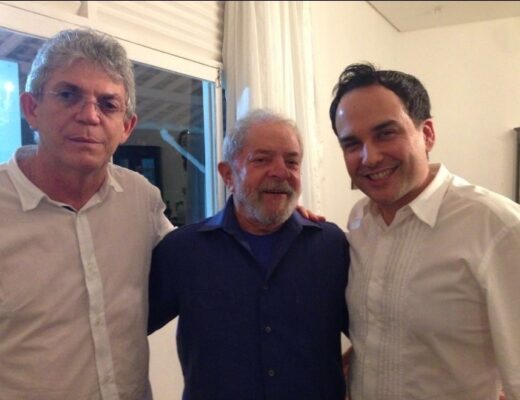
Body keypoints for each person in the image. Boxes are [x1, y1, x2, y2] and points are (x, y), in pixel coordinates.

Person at [329, 62, 520, 400]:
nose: (369, 157)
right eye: (352, 143)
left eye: (385, 133)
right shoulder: (359, 221)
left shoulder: (498, 227)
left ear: (427, 133)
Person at [0, 28, 173, 399]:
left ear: (126, 127)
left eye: (108, 104)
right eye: (68, 95)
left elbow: (200, 258)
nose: (89, 116)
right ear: (31, 109)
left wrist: (284, 221)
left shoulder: (141, 198)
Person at [148, 109, 349, 400]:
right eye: (262, 159)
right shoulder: (184, 251)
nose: (280, 172)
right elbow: (120, 328)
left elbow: (377, 333)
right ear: (227, 174)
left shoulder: (331, 246)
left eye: (292, 161)